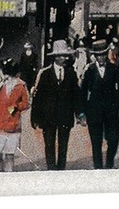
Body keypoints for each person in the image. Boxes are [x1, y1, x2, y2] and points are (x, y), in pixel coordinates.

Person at [30, 39, 81, 170]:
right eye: (60, 55)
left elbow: (76, 96)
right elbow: (38, 98)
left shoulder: (71, 73)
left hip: (65, 115)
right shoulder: (45, 74)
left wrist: (79, 113)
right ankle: (51, 169)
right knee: (49, 144)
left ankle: (61, 169)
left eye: (65, 55)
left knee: (63, 145)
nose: (63, 58)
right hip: (48, 116)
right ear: (55, 57)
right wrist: (35, 116)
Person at [78, 39, 119, 169]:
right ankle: (98, 167)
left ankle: (109, 163)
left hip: (111, 111)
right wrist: (82, 112)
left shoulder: (114, 69)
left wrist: (117, 105)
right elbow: (82, 91)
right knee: (96, 141)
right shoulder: (89, 70)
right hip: (94, 111)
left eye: (103, 54)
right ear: (94, 56)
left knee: (113, 139)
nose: (101, 58)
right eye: (98, 55)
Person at [0, 58, 30, 172]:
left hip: (13, 124)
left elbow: (26, 103)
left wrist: (16, 107)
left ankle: (8, 177)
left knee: (9, 155)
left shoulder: (20, 85)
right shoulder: (0, 83)